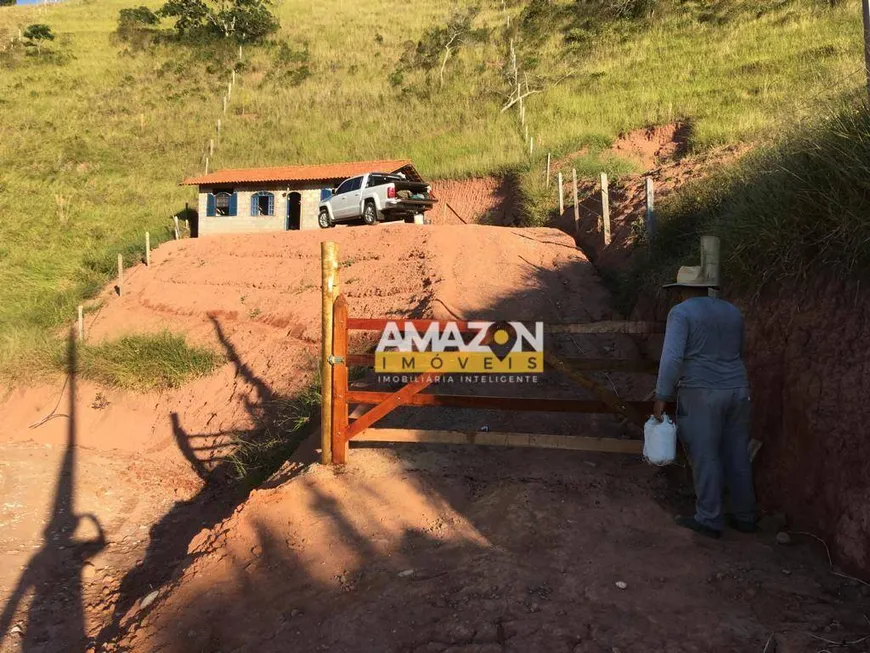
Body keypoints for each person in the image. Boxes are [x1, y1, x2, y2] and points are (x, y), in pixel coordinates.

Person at [653, 265, 756, 539]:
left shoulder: (681, 313)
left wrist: (662, 395)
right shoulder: (732, 311)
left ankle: (709, 518)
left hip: (701, 391)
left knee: (704, 453)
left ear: (681, 291)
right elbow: (740, 349)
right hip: (738, 388)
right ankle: (745, 515)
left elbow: (672, 358)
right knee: (736, 452)